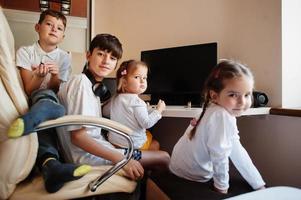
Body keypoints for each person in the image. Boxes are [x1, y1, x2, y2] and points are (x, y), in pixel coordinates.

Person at [57, 34, 170, 181]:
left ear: (116, 64)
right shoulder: (81, 84)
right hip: (88, 157)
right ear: (88, 55)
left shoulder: (93, 88)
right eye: (100, 54)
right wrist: (122, 160)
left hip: (101, 149)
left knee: (155, 147)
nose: (106, 61)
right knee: (164, 157)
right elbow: (78, 137)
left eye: (112, 58)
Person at [6, 9, 91, 193]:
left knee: (48, 105)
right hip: (36, 99)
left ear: (62, 36)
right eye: (49, 24)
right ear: (38, 27)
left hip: (53, 99)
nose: (54, 29)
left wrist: (55, 75)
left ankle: (50, 165)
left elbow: (56, 89)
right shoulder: (26, 52)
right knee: (42, 103)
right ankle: (51, 166)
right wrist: (37, 75)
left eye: (59, 28)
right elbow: (29, 88)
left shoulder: (64, 57)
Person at [169, 59, 266, 195]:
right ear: (214, 95)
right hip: (191, 176)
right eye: (233, 95)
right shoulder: (221, 115)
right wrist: (221, 188)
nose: (242, 102)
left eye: (247, 94)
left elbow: (237, 151)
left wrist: (258, 183)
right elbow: (220, 156)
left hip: (178, 168)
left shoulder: (212, 108)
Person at [107, 60, 165, 150]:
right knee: (155, 143)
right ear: (124, 82)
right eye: (137, 77)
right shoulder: (137, 102)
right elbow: (147, 123)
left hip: (114, 144)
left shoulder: (114, 99)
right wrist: (158, 110)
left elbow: (105, 112)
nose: (142, 81)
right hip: (132, 146)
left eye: (145, 78)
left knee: (148, 134)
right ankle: (145, 160)